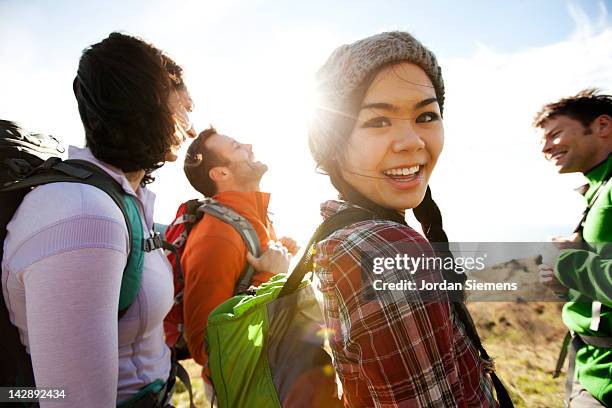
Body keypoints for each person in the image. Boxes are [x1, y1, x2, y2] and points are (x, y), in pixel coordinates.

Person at [1, 32, 195, 407]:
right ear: (148, 104)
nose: (190, 125)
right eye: (184, 106)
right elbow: (73, 401)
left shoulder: (117, 197)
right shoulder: (84, 215)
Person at [307, 31, 499, 407]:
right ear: (334, 143)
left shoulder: (344, 232)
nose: (411, 141)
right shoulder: (387, 249)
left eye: (426, 115)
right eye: (378, 122)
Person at [180, 127, 296, 400]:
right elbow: (205, 347)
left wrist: (280, 260)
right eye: (236, 146)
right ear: (221, 173)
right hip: (244, 390)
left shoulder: (253, 220)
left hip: (272, 376)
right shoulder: (216, 235)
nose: (249, 144)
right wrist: (268, 276)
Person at [535, 89, 612, 407]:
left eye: (555, 134)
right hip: (590, 362)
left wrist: (568, 262)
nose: (545, 147)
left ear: (602, 126)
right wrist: (563, 282)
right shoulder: (598, 187)